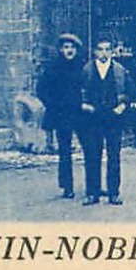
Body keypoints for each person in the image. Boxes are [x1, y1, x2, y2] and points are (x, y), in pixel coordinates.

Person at [79, 38, 130, 205]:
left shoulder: (119, 70)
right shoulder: (87, 69)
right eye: (100, 49)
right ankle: (92, 193)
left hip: (113, 118)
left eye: (107, 49)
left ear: (112, 51)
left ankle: (113, 193)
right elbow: (79, 91)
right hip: (93, 118)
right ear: (95, 51)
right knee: (92, 155)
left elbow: (131, 91)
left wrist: (122, 105)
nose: (104, 53)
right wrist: (85, 105)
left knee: (113, 156)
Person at [34, 33, 86, 198]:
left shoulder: (82, 66)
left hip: (80, 113)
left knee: (90, 148)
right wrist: (54, 105)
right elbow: (41, 90)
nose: (69, 50)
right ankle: (67, 186)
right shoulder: (53, 68)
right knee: (65, 151)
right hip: (61, 114)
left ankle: (93, 186)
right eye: (65, 47)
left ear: (77, 50)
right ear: (60, 50)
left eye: (72, 47)